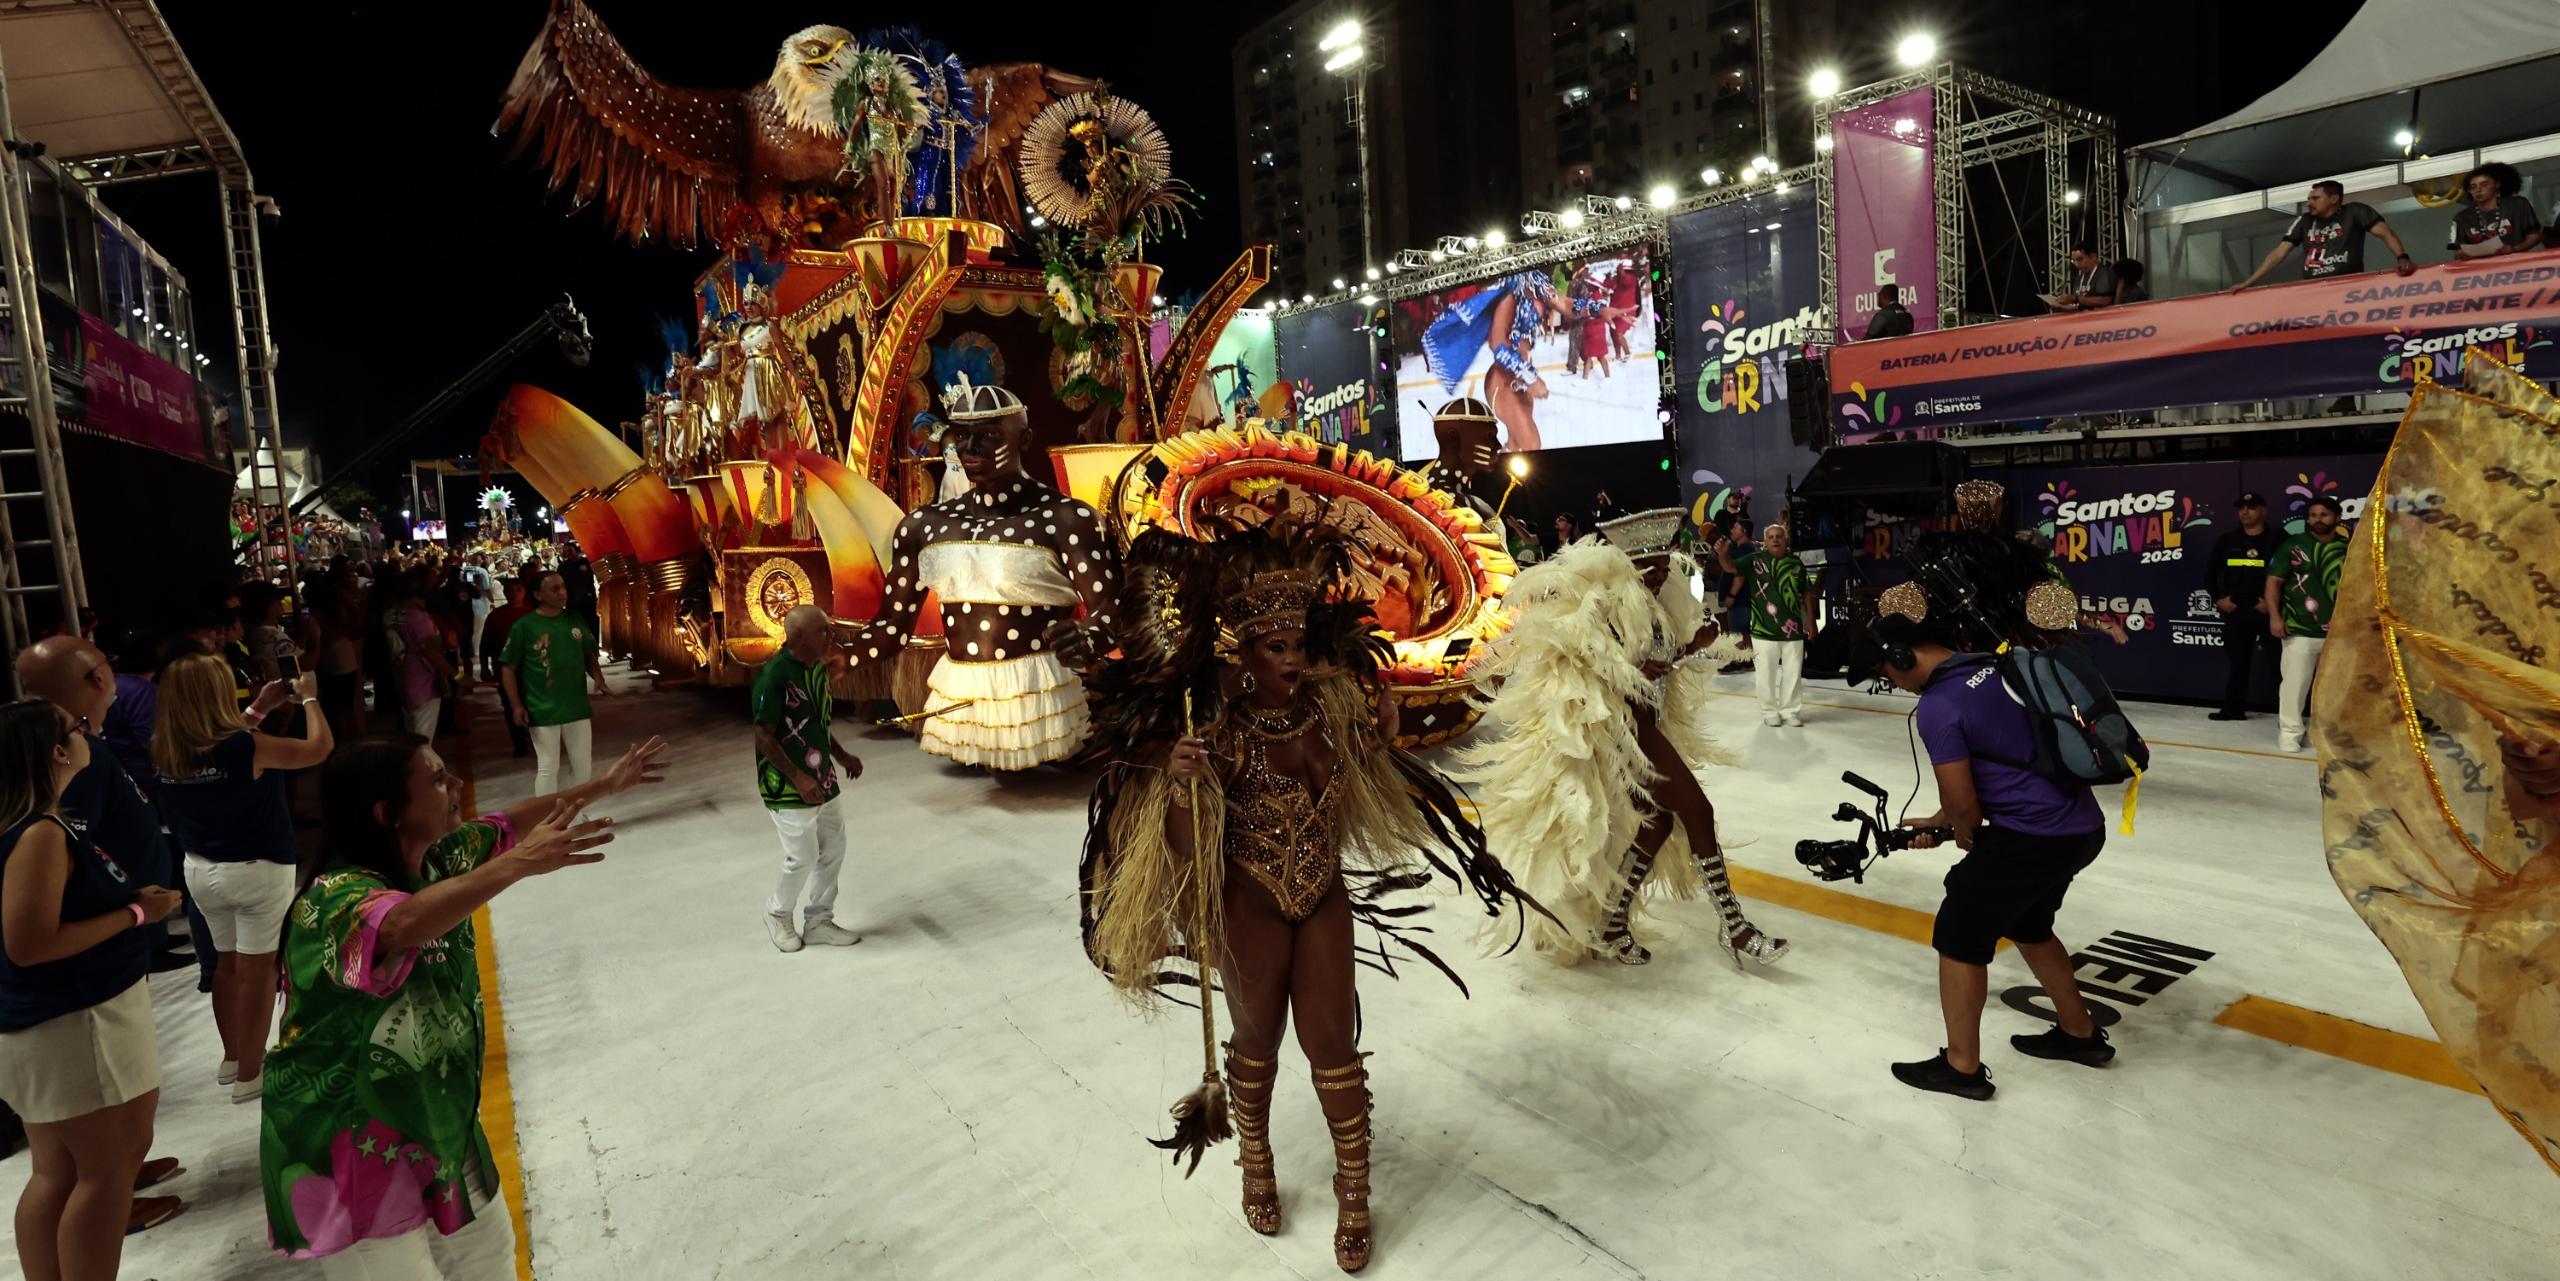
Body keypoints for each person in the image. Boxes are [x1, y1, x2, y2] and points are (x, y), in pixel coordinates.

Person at [1077, 527, 1542, 1274]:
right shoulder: (1219, 733)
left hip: (1322, 894)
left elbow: (1378, 758)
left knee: (1332, 1046)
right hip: (1248, 904)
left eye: (1298, 644)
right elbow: (1188, 848)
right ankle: (1254, 1158)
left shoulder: (1332, 709)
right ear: (1245, 657)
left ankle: (1354, 1189)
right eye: (1274, 648)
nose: (1292, 659)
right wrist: (1179, 780)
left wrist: (1391, 731)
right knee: (1256, 1041)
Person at [259, 732, 666, 1275]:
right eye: (436, 779)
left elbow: (509, 823)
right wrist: (516, 865)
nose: (456, 786)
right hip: (349, 1140)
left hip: (433, 1120)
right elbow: (400, 923)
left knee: (489, 1254)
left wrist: (604, 785)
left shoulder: (436, 860)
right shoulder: (333, 899)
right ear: (387, 813)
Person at [1458, 511, 1783, 968]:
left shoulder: (1659, 608)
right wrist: (1628, 671)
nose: (1658, 575)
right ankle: (1735, 928)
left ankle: (1611, 924)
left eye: (1664, 567)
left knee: (1657, 823)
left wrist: (1695, 645)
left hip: (1649, 729)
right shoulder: (1605, 610)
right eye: (1648, 569)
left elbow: (1660, 663)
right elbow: (1580, 671)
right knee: (1697, 810)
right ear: (1627, 568)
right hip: (1625, 734)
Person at [1854, 607, 2114, 1101]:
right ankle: (2080, 1034)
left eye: (1885, 673)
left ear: (1901, 655)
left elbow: (1966, 806)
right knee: (2029, 925)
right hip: (2080, 827)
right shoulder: (1997, 665)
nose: (1892, 683)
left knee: (1959, 935)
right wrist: (1944, 821)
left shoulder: (1937, 705)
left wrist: (1960, 829)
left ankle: (1961, 1067)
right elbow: (2003, 755)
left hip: (2032, 837)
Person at [831, 375, 1122, 771]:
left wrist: (1088, 636)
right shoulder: (924, 526)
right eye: (961, 435)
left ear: (1024, 440)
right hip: (961, 714)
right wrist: (843, 658)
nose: (969, 448)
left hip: (1044, 709)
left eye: (987, 435)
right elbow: (893, 624)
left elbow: (1114, 610)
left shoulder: (1067, 519)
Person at [0, 699, 186, 1280]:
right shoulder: (39, 834)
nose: (87, 736)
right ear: (58, 751)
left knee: (58, 1171)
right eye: (77, 730)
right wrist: (136, 913)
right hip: (75, 1019)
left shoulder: (33, 826)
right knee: (105, 1172)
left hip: (50, 1020)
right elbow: (29, 943)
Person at [150, 654, 332, 1103]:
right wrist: (309, 698)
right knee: (259, 971)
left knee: (226, 967)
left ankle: (233, 1058)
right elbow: (319, 749)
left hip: (200, 870)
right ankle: (253, 1072)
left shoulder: (164, 748)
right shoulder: (246, 747)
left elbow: (222, 747)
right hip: (256, 869)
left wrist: (259, 710)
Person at [754, 605, 864, 953]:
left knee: (834, 846)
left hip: (823, 776)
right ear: (798, 636)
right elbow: (764, 736)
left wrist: (842, 756)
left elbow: (816, 723)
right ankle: (777, 912)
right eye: (823, 631)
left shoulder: (816, 670)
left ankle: (818, 920)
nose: (830, 637)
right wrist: (799, 777)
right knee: (802, 855)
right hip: (786, 782)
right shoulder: (774, 676)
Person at [498, 569, 609, 795]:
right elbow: (508, 667)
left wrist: (598, 677)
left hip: (576, 706)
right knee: (549, 767)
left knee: (582, 768)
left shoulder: (574, 620)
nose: (562, 593)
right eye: (554, 589)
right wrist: (516, 705)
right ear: (538, 595)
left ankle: (573, 811)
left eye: (563, 587)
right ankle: (548, 819)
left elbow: (588, 654)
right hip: (542, 710)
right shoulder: (524, 627)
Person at [2265, 494, 2349, 754]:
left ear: (2337, 518)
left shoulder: (2349, 548)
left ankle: (2323, 734)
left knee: (2335, 689)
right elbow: (2273, 583)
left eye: (2324, 515)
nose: (2318, 520)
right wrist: (2275, 617)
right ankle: (2290, 732)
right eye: (2313, 515)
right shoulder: (2292, 546)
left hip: (2339, 633)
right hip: (2299, 630)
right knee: (2294, 685)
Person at [1716, 521, 1816, 726]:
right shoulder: (1754, 561)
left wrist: (1810, 619)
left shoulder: (1796, 563)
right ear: (1764, 542)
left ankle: (1791, 711)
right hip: (1763, 630)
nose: (1775, 540)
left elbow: (1806, 591)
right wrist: (1722, 555)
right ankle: (1769, 711)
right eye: (1770, 537)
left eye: (1779, 536)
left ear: (1786, 540)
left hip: (1793, 630)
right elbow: (1730, 567)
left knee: (1793, 672)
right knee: (1765, 674)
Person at [2232, 180, 2417, 288]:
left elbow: (2386, 233)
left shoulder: (2355, 212)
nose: (2309, 202)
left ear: (2334, 199)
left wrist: (2402, 257)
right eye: (2308, 199)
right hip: (2314, 289)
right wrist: (2249, 282)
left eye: (2315, 198)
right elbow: (2279, 253)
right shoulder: (2304, 220)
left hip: (2348, 286)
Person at [2204, 493, 2281, 722]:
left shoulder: (2279, 538)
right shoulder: (2227, 540)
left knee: (2281, 664)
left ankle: (2288, 713)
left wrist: (2274, 603)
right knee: (2238, 662)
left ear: (2263, 511)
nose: (2245, 512)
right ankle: (2233, 709)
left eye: (2251, 507)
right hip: (2236, 610)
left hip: (2267, 611)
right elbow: (2210, 574)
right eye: (2241, 508)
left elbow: (2291, 575)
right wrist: (2219, 600)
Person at [384, 571, 460, 739]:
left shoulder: (391, 613)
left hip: (401, 677)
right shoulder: (417, 616)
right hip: (423, 680)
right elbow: (431, 651)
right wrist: (458, 676)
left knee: (411, 733)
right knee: (422, 740)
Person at [483, 577, 537, 759]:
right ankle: (519, 743)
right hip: (506, 670)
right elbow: (485, 644)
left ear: (525, 592)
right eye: (510, 590)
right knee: (510, 706)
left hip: (532, 669)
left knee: (535, 705)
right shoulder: (496, 616)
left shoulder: (534, 613)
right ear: (504, 593)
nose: (514, 594)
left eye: (518, 589)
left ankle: (536, 739)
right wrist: (485, 667)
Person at [2447, 162, 2542, 258]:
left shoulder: (2518, 204)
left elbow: (2535, 236)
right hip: (2481, 270)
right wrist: (2462, 255)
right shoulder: (2461, 218)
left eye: (2484, 184)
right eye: (2473, 187)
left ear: (2497, 184)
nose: (2478, 190)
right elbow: (2457, 251)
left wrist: (2514, 249)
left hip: (2516, 266)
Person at [2052, 243, 2117, 311]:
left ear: (2093, 257)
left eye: (2080, 259)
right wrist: (2062, 307)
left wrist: (2075, 299)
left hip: (2101, 319)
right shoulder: (2079, 278)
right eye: (2074, 261)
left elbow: (2106, 301)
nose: (2076, 264)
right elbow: (2077, 305)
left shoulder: (2104, 273)